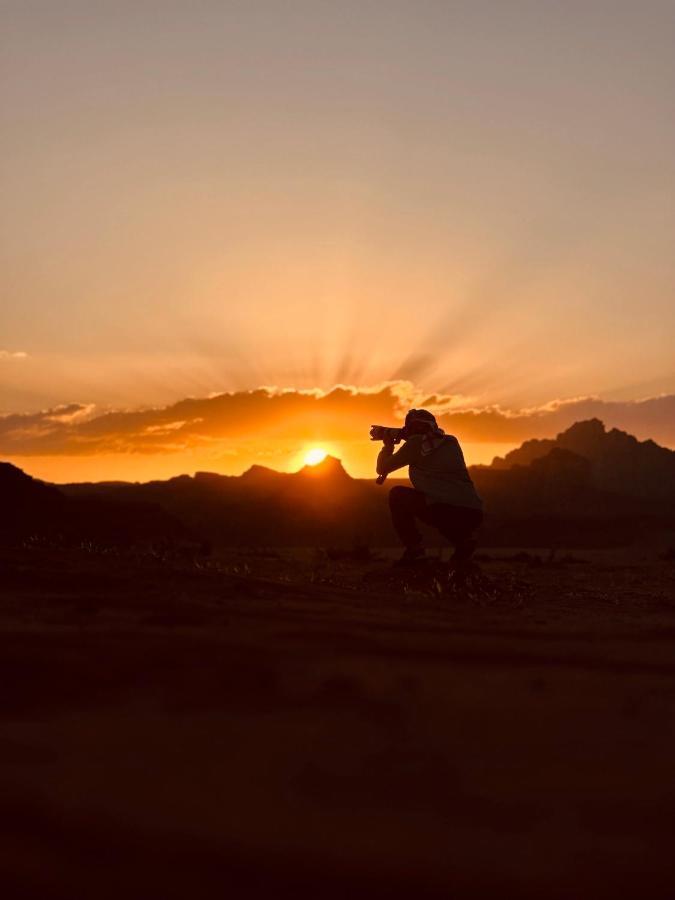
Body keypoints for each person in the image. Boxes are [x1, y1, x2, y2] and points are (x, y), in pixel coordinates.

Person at [376, 408, 483, 565]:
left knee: (397, 495)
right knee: (441, 502)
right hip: (473, 512)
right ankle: (463, 544)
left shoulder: (416, 444)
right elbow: (428, 446)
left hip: (445, 510)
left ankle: (415, 550)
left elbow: (382, 468)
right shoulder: (451, 441)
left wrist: (388, 445)